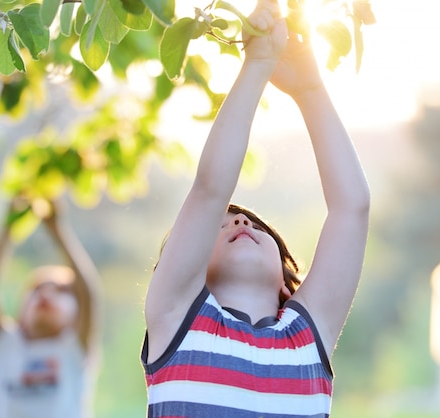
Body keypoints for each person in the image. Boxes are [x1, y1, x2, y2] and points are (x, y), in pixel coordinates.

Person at [141, 0, 370, 416]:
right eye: (222, 224)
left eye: (255, 226)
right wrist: (257, 65)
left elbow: (351, 207)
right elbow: (210, 189)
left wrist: (311, 89)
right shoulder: (177, 318)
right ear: (188, 265)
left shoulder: (306, 337)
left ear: (286, 282)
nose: (241, 220)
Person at [0, 199, 102, 418]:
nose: (45, 294)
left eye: (61, 291)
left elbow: (89, 294)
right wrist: (8, 230)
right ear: (21, 312)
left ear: (77, 314)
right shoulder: (6, 344)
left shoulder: (73, 349)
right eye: (36, 291)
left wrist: (58, 231)